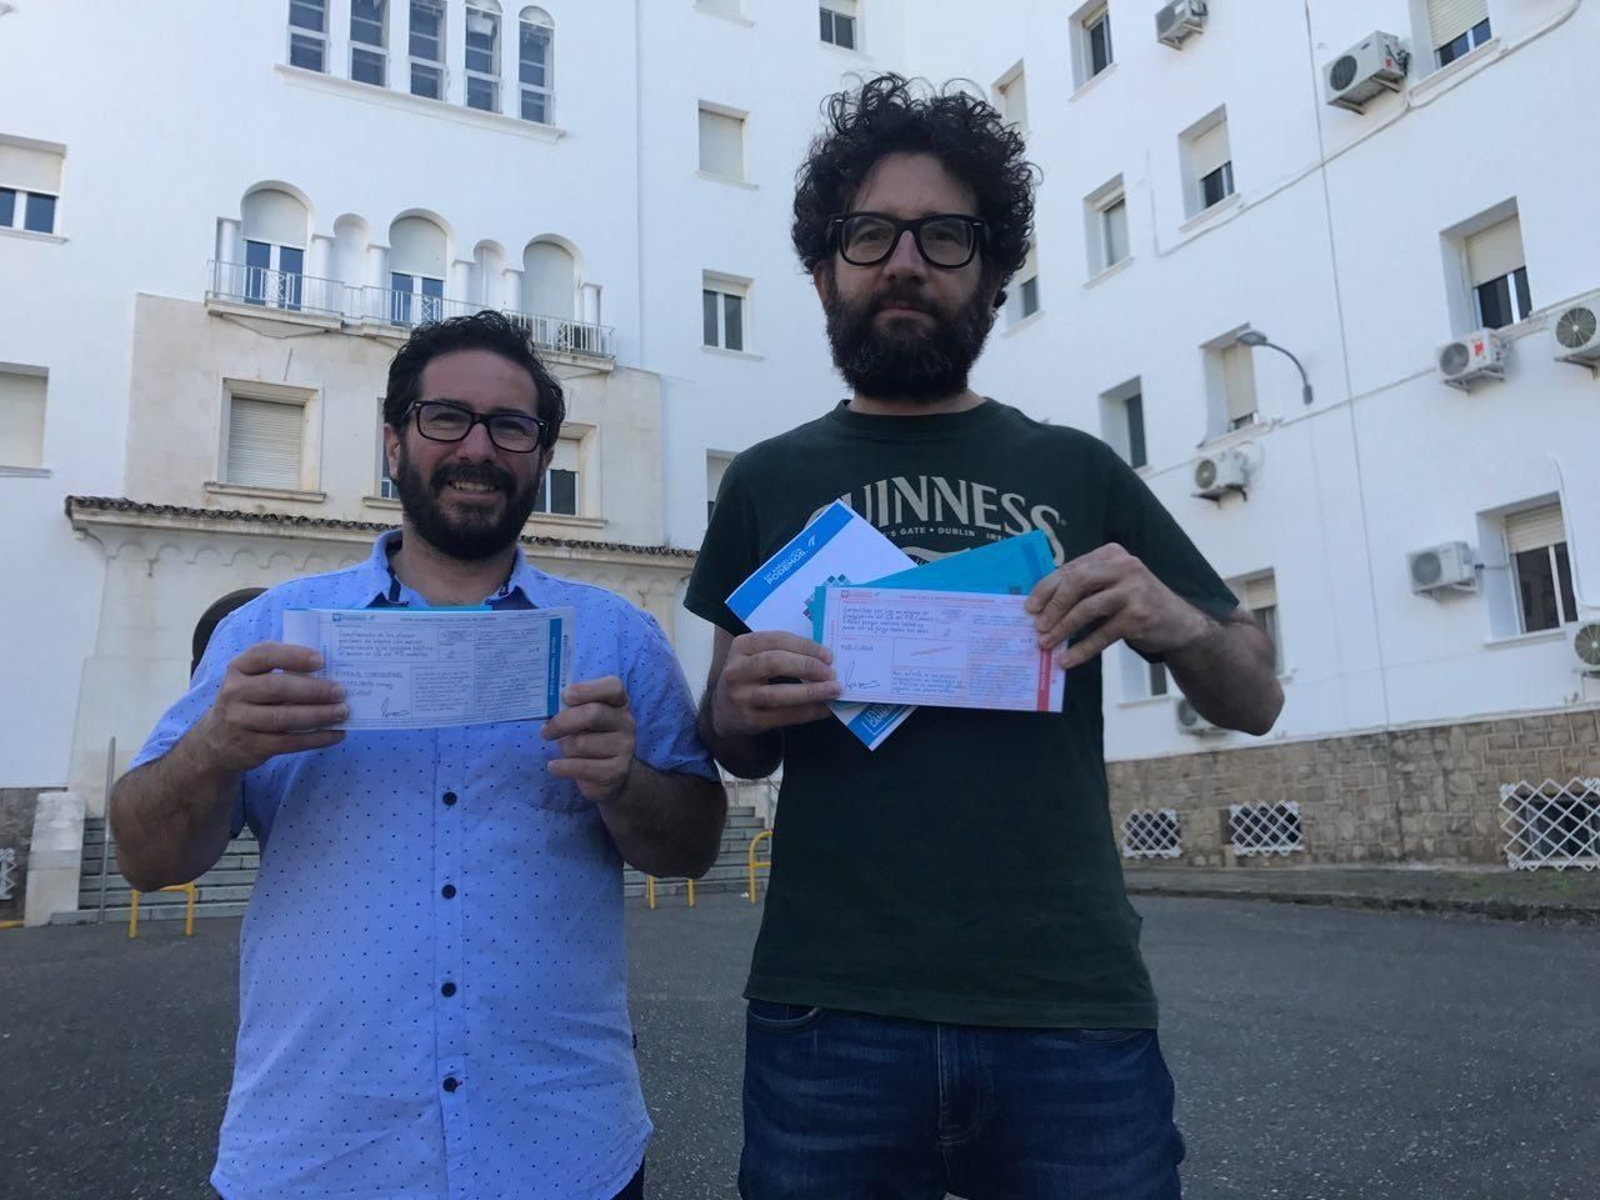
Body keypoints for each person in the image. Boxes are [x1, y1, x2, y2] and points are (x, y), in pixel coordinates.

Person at [686, 75, 1284, 1199]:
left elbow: (1254, 693)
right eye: (869, 234)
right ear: (823, 271)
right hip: (831, 1014)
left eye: (944, 236)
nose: (904, 261)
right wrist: (739, 703)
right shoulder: (768, 481)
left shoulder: (1077, 470)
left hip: (1069, 1010)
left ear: (993, 276)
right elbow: (732, 742)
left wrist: (1165, 616)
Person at [111, 310, 726, 1200]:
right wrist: (212, 751)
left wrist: (623, 783)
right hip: (318, 1152)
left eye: (511, 426)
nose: (478, 446)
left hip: (560, 1151)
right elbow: (143, 857)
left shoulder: (616, 639)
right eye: (446, 418)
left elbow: (692, 846)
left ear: (542, 458)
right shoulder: (268, 630)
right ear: (394, 443)